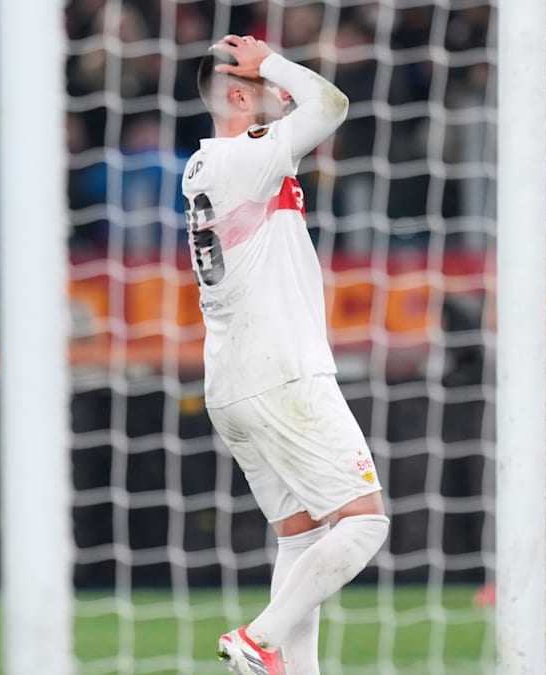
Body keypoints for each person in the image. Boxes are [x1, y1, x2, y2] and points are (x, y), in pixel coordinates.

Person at [184, 36, 389, 675]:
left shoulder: (206, 164)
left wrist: (264, 71)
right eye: (264, 85)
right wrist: (271, 61)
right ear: (239, 96)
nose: (280, 93)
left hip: (232, 380)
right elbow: (331, 104)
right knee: (365, 523)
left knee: (302, 536)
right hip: (281, 371)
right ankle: (260, 638)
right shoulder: (248, 154)